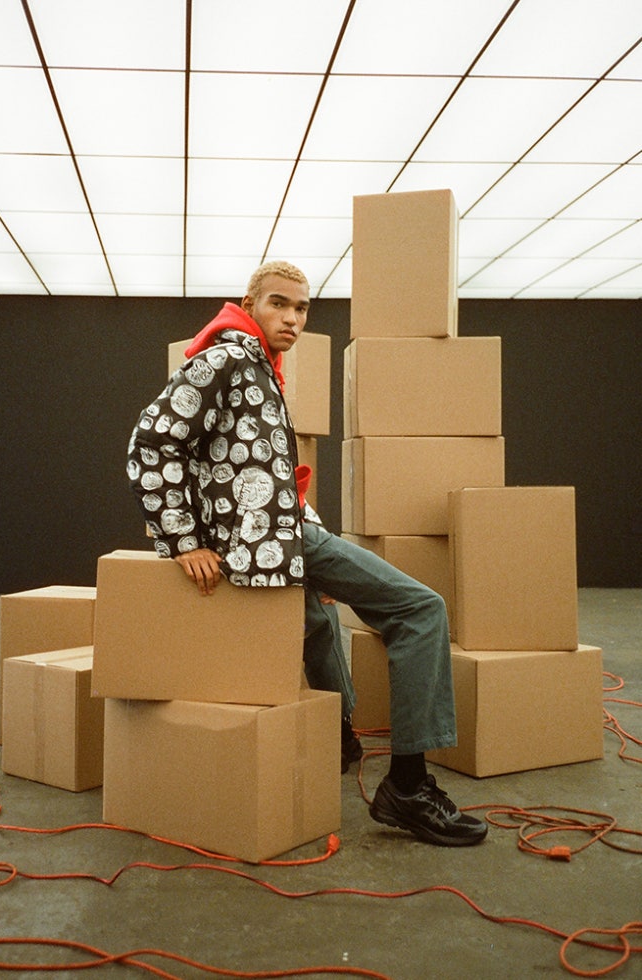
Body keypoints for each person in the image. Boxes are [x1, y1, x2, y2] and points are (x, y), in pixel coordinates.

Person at [127, 261, 487, 848]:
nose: (292, 318)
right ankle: (407, 786)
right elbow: (151, 441)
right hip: (259, 537)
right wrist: (183, 539)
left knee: (318, 621)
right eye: (279, 304)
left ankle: (336, 737)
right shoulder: (226, 359)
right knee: (421, 610)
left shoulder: (260, 367)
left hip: (282, 533)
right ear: (250, 303)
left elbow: (263, 473)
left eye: (301, 308)